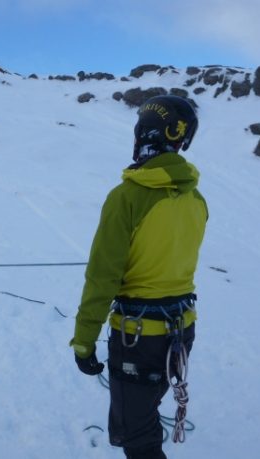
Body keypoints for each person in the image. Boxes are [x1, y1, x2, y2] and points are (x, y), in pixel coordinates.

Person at [70, 95, 208, 459]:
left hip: (139, 339)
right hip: (181, 332)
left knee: (138, 440)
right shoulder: (197, 200)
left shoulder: (126, 197)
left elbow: (103, 277)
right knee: (145, 412)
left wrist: (84, 342)